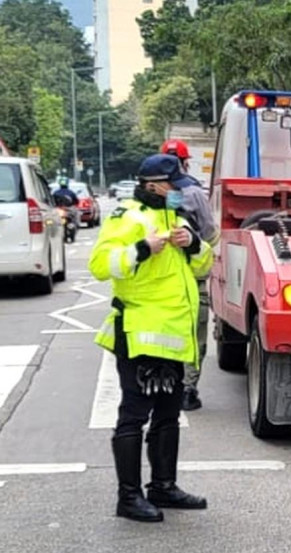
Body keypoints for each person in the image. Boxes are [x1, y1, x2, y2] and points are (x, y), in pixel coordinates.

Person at [89, 154, 214, 522]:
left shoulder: (175, 217)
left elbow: (204, 264)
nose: (180, 191)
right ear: (153, 185)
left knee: (168, 414)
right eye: (174, 185)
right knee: (134, 414)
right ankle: (128, 497)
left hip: (174, 335)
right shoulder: (126, 217)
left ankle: (163, 486)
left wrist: (191, 243)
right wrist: (142, 249)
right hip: (140, 334)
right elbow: (100, 265)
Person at [160, 138, 219, 411]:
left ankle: (166, 383)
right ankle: (188, 388)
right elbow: (209, 231)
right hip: (193, 277)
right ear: (185, 162)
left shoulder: (154, 192)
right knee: (196, 334)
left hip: (163, 277)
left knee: (167, 331)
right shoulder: (194, 193)